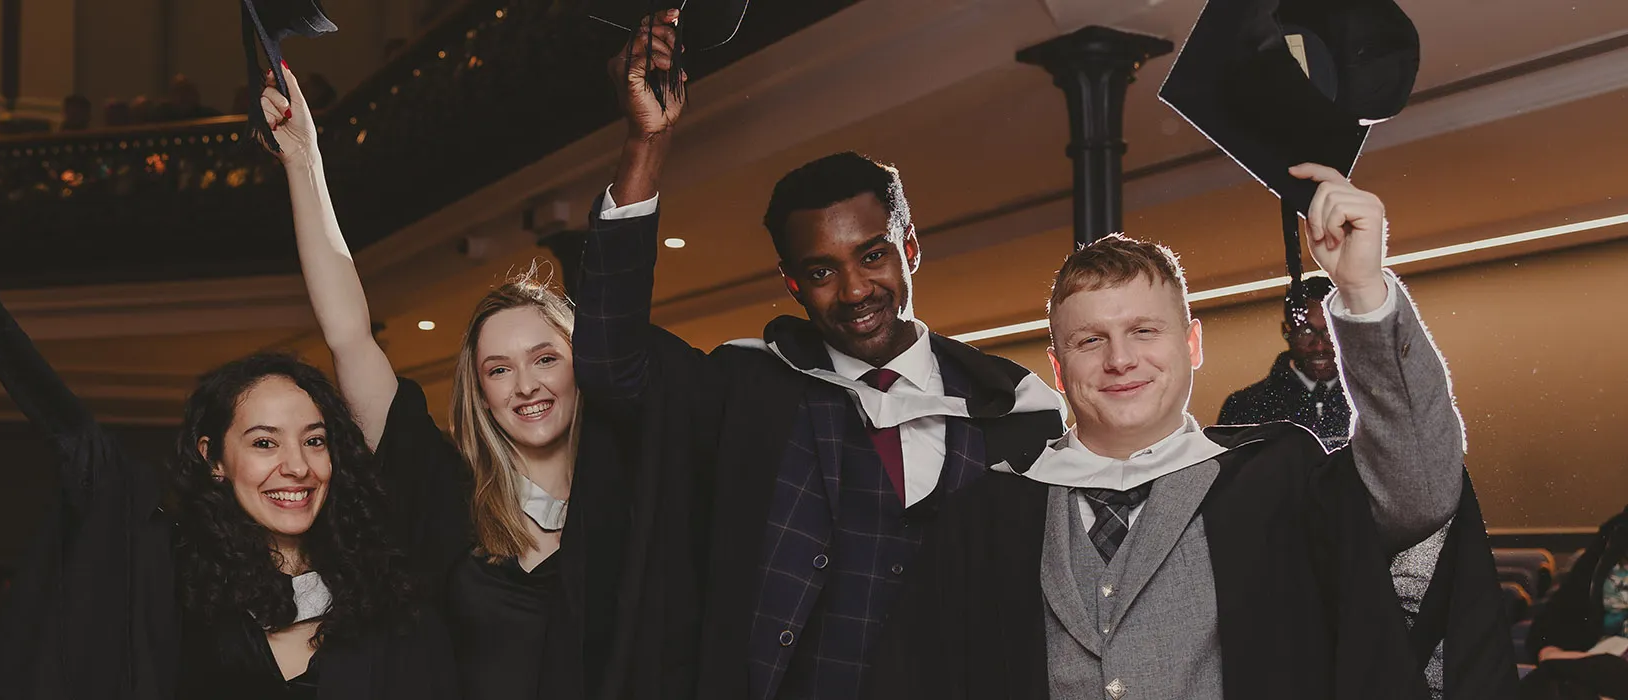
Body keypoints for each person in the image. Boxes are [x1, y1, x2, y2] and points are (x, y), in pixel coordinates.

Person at [868, 167, 1517, 699]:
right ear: (1060, 369)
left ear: (1192, 343)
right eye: (1091, 340)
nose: (1120, 360)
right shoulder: (990, 510)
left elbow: (1425, 493)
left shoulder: (1276, 478)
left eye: (1144, 331)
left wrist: (1363, 289)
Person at [572, 12, 1068, 700]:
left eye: (872, 255)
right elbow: (610, 367)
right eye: (821, 271)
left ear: (910, 248)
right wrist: (645, 143)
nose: (856, 290)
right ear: (791, 284)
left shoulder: (1017, 414)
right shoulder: (747, 390)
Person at [0, 162, 459, 697]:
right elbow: (76, 438)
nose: (294, 465)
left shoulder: (382, 570)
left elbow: (351, 336)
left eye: (315, 439)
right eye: (263, 441)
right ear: (214, 458)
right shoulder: (175, 583)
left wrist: (304, 162)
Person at [265, 64, 684, 700]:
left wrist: (648, 142)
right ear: (479, 391)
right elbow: (350, 335)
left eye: (545, 358)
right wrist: (305, 162)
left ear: (582, 365)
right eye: (498, 369)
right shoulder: (447, 494)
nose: (525, 385)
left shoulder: (635, 483)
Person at [1217, 277, 1350, 447]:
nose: (1319, 345)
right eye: (1306, 332)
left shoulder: (1369, 401)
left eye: (1330, 331)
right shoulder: (1245, 407)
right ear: (1287, 332)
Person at [1521, 504, 1628, 699]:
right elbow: (1564, 605)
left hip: (1612, 669)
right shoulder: (1615, 533)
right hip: (1599, 660)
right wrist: (1549, 649)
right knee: (1548, 684)